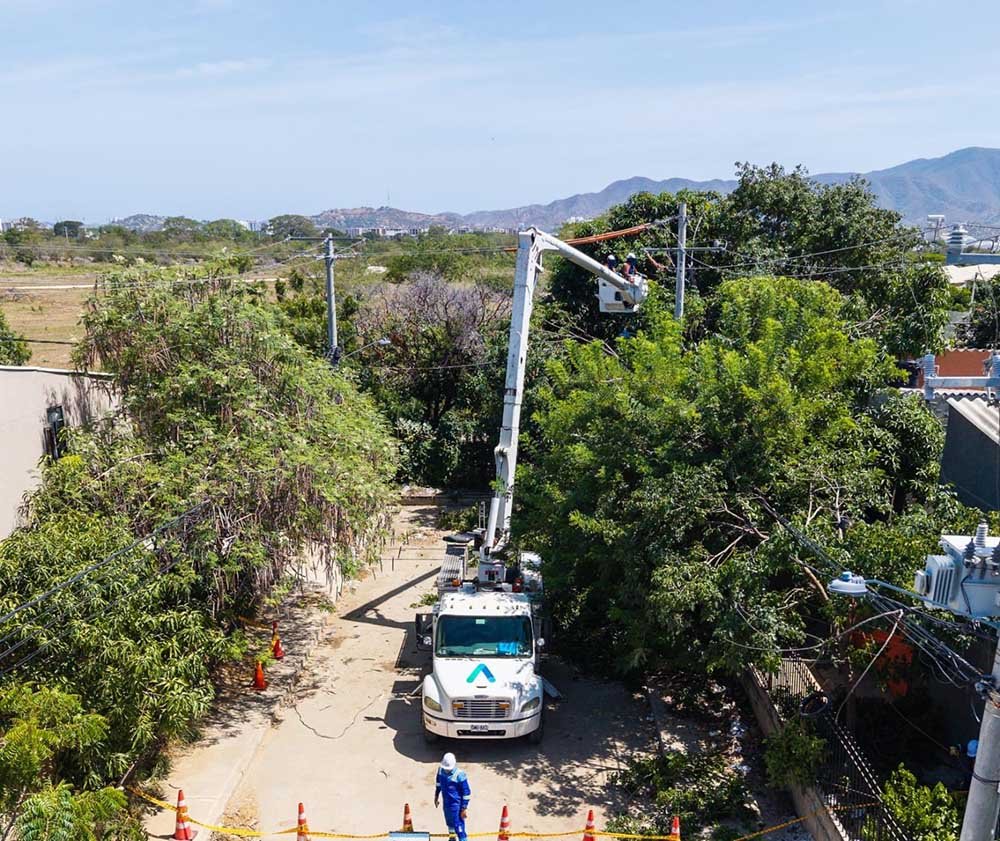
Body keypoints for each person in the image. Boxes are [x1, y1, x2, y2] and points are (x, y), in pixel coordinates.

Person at [435, 752, 471, 841]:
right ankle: (452, 839)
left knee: (458, 826)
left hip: (456, 806)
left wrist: (464, 808)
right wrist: (436, 796)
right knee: (450, 824)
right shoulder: (440, 770)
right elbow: (438, 783)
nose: (446, 770)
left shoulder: (460, 775)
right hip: (446, 804)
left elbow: (466, 793)